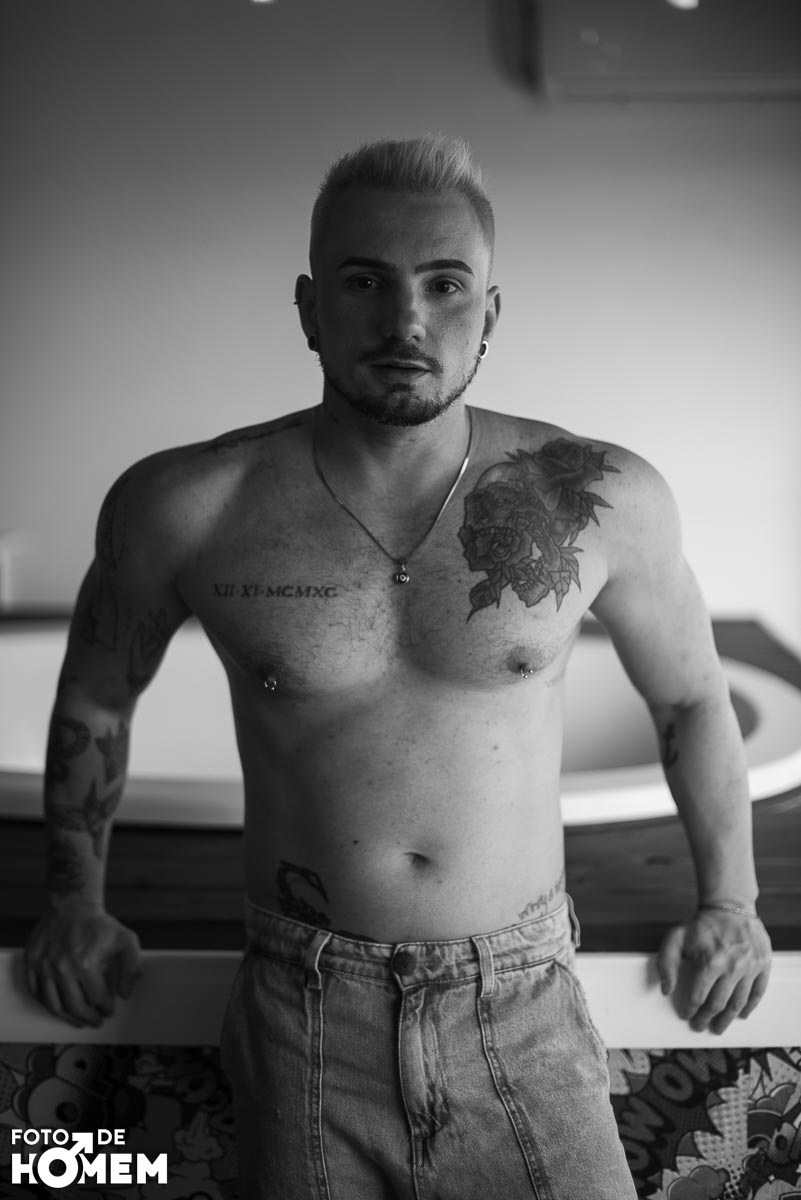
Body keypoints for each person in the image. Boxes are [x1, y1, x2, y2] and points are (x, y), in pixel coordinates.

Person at [25, 134, 771, 1196]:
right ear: (308, 308)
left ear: (490, 314)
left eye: (444, 284)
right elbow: (96, 702)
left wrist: (731, 904)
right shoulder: (188, 506)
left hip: (522, 1000)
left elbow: (693, 697)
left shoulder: (597, 499)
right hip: (302, 1005)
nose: (406, 320)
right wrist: (74, 902)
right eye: (365, 281)